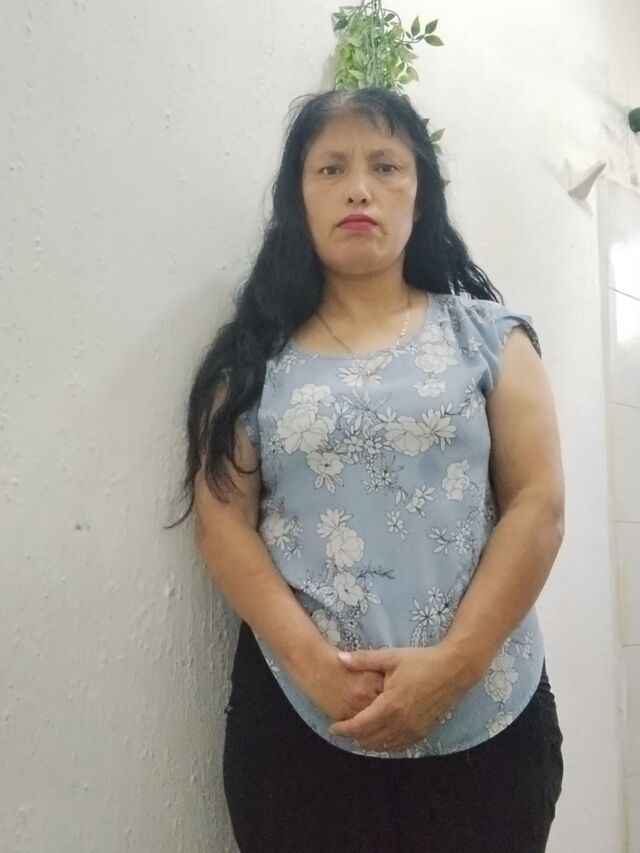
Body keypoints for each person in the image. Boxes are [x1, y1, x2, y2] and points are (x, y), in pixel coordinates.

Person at [172, 86, 565, 852]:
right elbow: (223, 521)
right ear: (298, 199)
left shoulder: (492, 340)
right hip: (299, 724)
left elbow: (538, 505)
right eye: (331, 169)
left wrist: (454, 667)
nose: (359, 188)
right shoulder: (251, 360)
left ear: (421, 194)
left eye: (386, 166)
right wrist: (314, 666)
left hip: (489, 717)